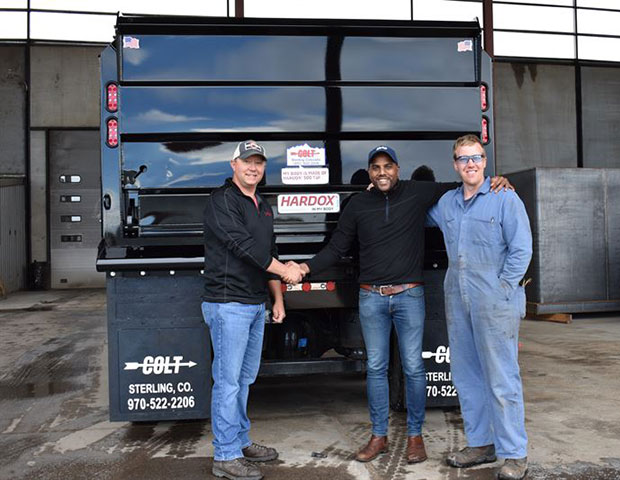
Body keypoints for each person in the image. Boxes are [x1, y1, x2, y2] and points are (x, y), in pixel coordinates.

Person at [296, 145, 512, 465]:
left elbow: (463, 182)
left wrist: (496, 179)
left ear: (398, 169)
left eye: (388, 166)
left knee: (413, 368)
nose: (382, 172)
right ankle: (378, 436)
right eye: (375, 167)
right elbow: (336, 247)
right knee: (375, 368)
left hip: (409, 296)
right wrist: (304, 269)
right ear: (369, 172)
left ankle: (415, 437)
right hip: (371, 297)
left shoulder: (416, 193)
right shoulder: (358, 205)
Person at [427, 134, 532, 480]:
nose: (470, 164)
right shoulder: (446, 204)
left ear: (485, 162)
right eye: (463, 158)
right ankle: (481, 443)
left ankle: (514, 453)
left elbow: (522, 250)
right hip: (458, 301)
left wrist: (503, 289)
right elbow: (412, 209)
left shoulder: (505, 199)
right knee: (467, 376)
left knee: (502, 378)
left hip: (495, 302)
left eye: (476, 157)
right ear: (455, 164)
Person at [202, 140, 305, 480]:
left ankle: (240, 441)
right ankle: (225, 456)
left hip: (255, 303)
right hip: (228, 304)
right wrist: (286, 270)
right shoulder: (222, 201)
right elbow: (242, 246)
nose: (253, 167)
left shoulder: (262, 205)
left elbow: (269, 251)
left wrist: (277, 298)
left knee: (245, 380)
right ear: (234, 164)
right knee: (228, 382)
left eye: (259, 162)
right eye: (247, 161)